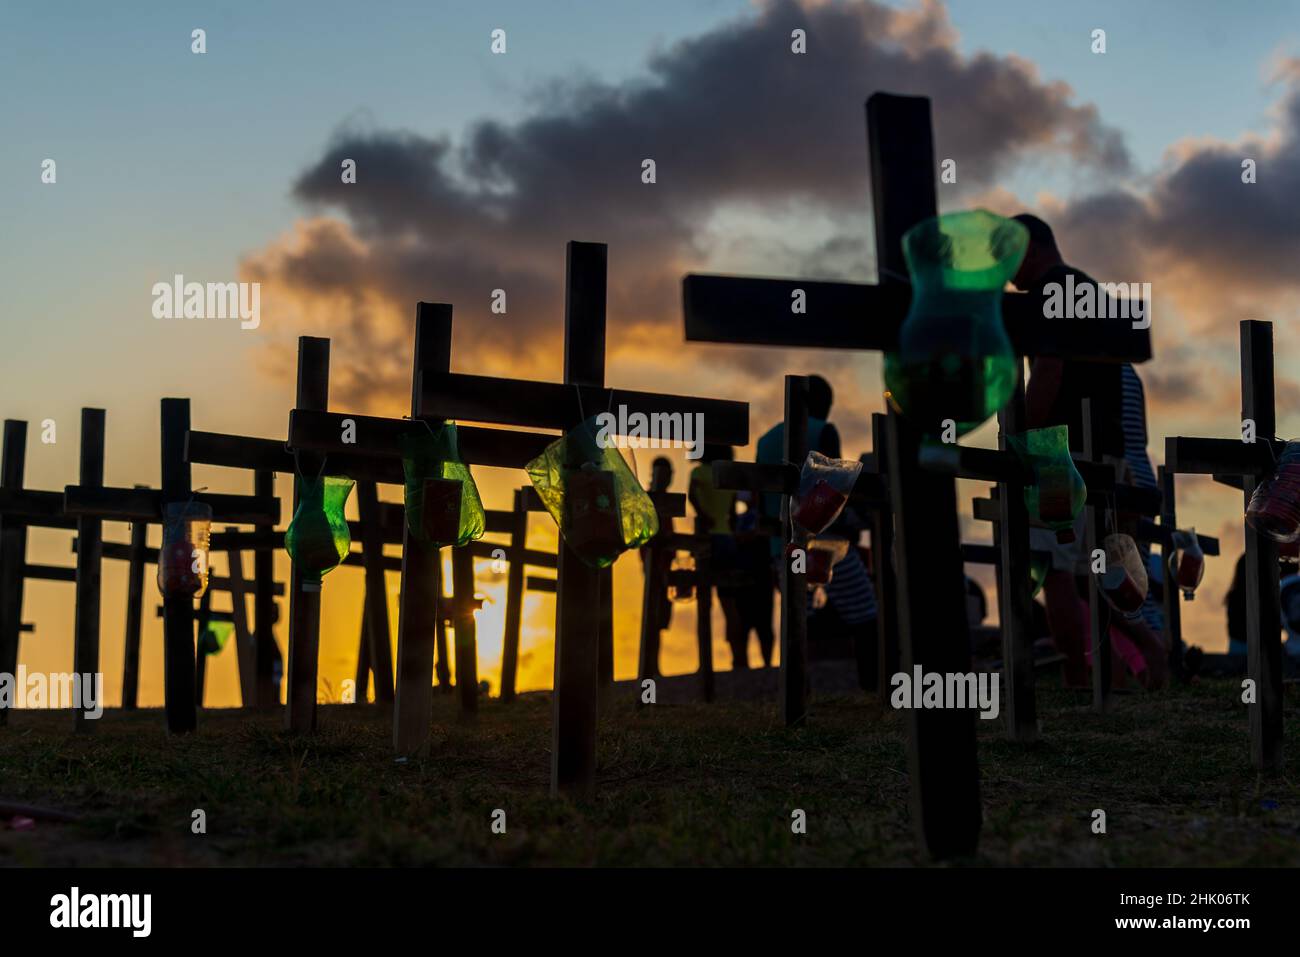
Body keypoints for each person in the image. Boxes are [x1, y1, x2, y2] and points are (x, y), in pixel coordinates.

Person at [1014, 214, 1163, 687]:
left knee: (1055, 570)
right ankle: (1129, 669)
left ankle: (1080, 679)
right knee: (1088, 576)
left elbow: (1049, 369)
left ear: (1033, 248)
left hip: (1059, 453)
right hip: (1103, 454)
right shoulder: (1089, 291)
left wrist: (1023, 435)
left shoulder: (1048, 293)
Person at [755, 375, 876, 668]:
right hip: (822, 545)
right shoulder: (824, 431)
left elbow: (760, 504)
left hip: (781, 547)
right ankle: (876, 685)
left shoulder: (766, 440)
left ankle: (798, 694)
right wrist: (854, 526)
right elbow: (834, 491)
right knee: (865, 612)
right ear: (820, 404)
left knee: (799, 621)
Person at [688, 444, 750, 668]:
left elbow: (692, 497)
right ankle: (739, 658)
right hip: (727, 539)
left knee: (704, 602)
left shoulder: (698, 473)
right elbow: (733, 512)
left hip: (707, 538)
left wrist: (704, 517)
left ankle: (705, 662)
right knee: (730, 605)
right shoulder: (727, 475)